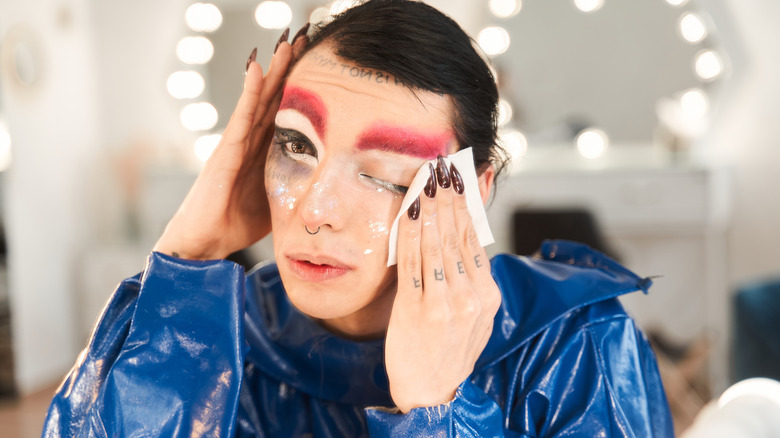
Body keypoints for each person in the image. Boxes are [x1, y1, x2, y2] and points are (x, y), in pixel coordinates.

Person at [42, 1, 674, 436]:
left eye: (386, 173)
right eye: (295, 146)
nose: (317, 211)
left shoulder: (575, 346)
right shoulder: (226, 336)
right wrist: (189, 255)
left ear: (474, 194)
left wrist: (435, 409)